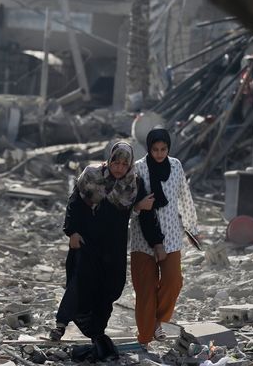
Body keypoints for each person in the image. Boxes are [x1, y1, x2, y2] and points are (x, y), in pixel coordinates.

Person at [53, 141, 145, 362]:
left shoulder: (132, 184)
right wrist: (72, 232)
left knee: (111, 288)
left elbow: (138, 208)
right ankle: (60, 324)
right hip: (87, 241)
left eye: (125, 164)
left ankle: (96, 331)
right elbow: (74, 202)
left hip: (113, 247)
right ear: (110, 159)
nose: (120, 168)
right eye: (116, 162)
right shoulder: (91, 175)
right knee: (80, 282)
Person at [130, 128, 199, 347]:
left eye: (163, 149)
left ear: (168, 148)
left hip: (171, 235)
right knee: (145, 290)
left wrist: (192, 228)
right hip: (142, 237)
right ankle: (144, 339)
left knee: (173, 282)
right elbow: (129, 203)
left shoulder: (176, 166)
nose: (159, 154)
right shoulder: (138, 168)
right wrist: (138, 207)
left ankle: (157, 321)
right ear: (149, 149)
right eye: (155, 149)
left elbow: (184, 197)